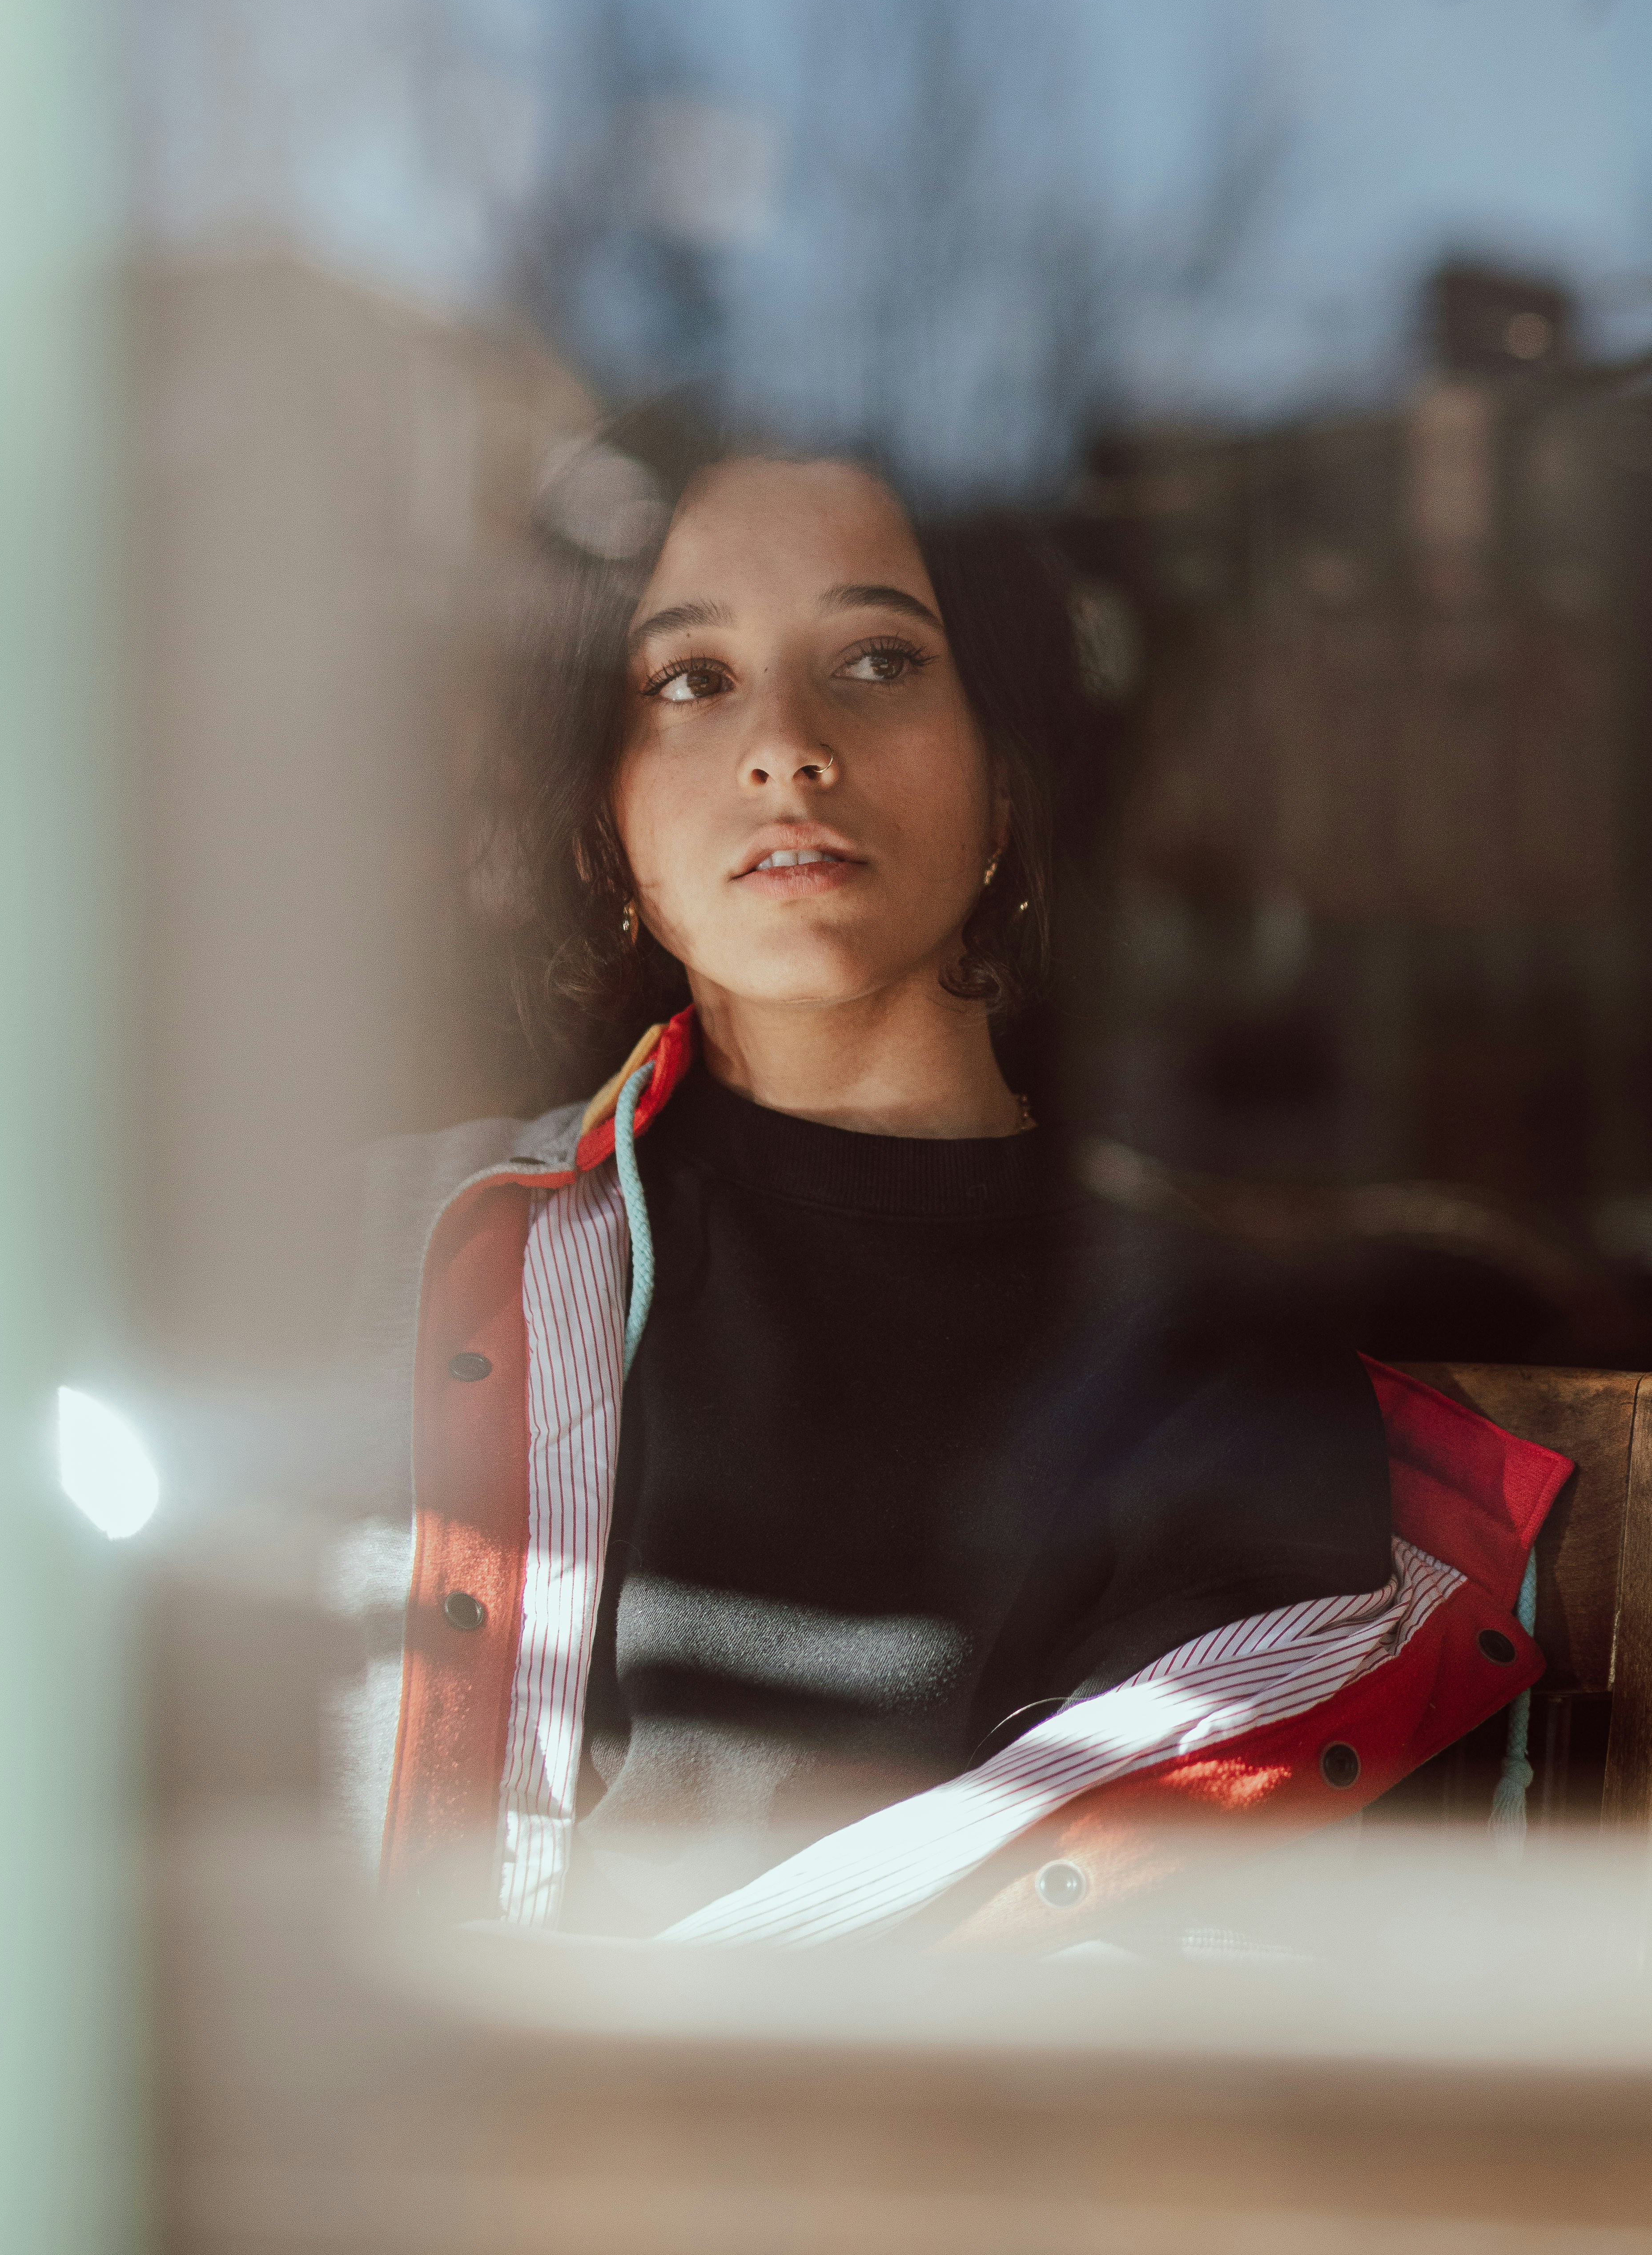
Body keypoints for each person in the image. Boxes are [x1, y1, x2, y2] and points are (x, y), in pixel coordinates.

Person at [330, 426, 1563, 1949]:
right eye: (691, 680)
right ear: (609, 809)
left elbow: (1141, 1984)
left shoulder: (1199, 1370)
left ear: (1007, 784)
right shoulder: (380, 1245)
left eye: (877, 660)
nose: (784, 744)